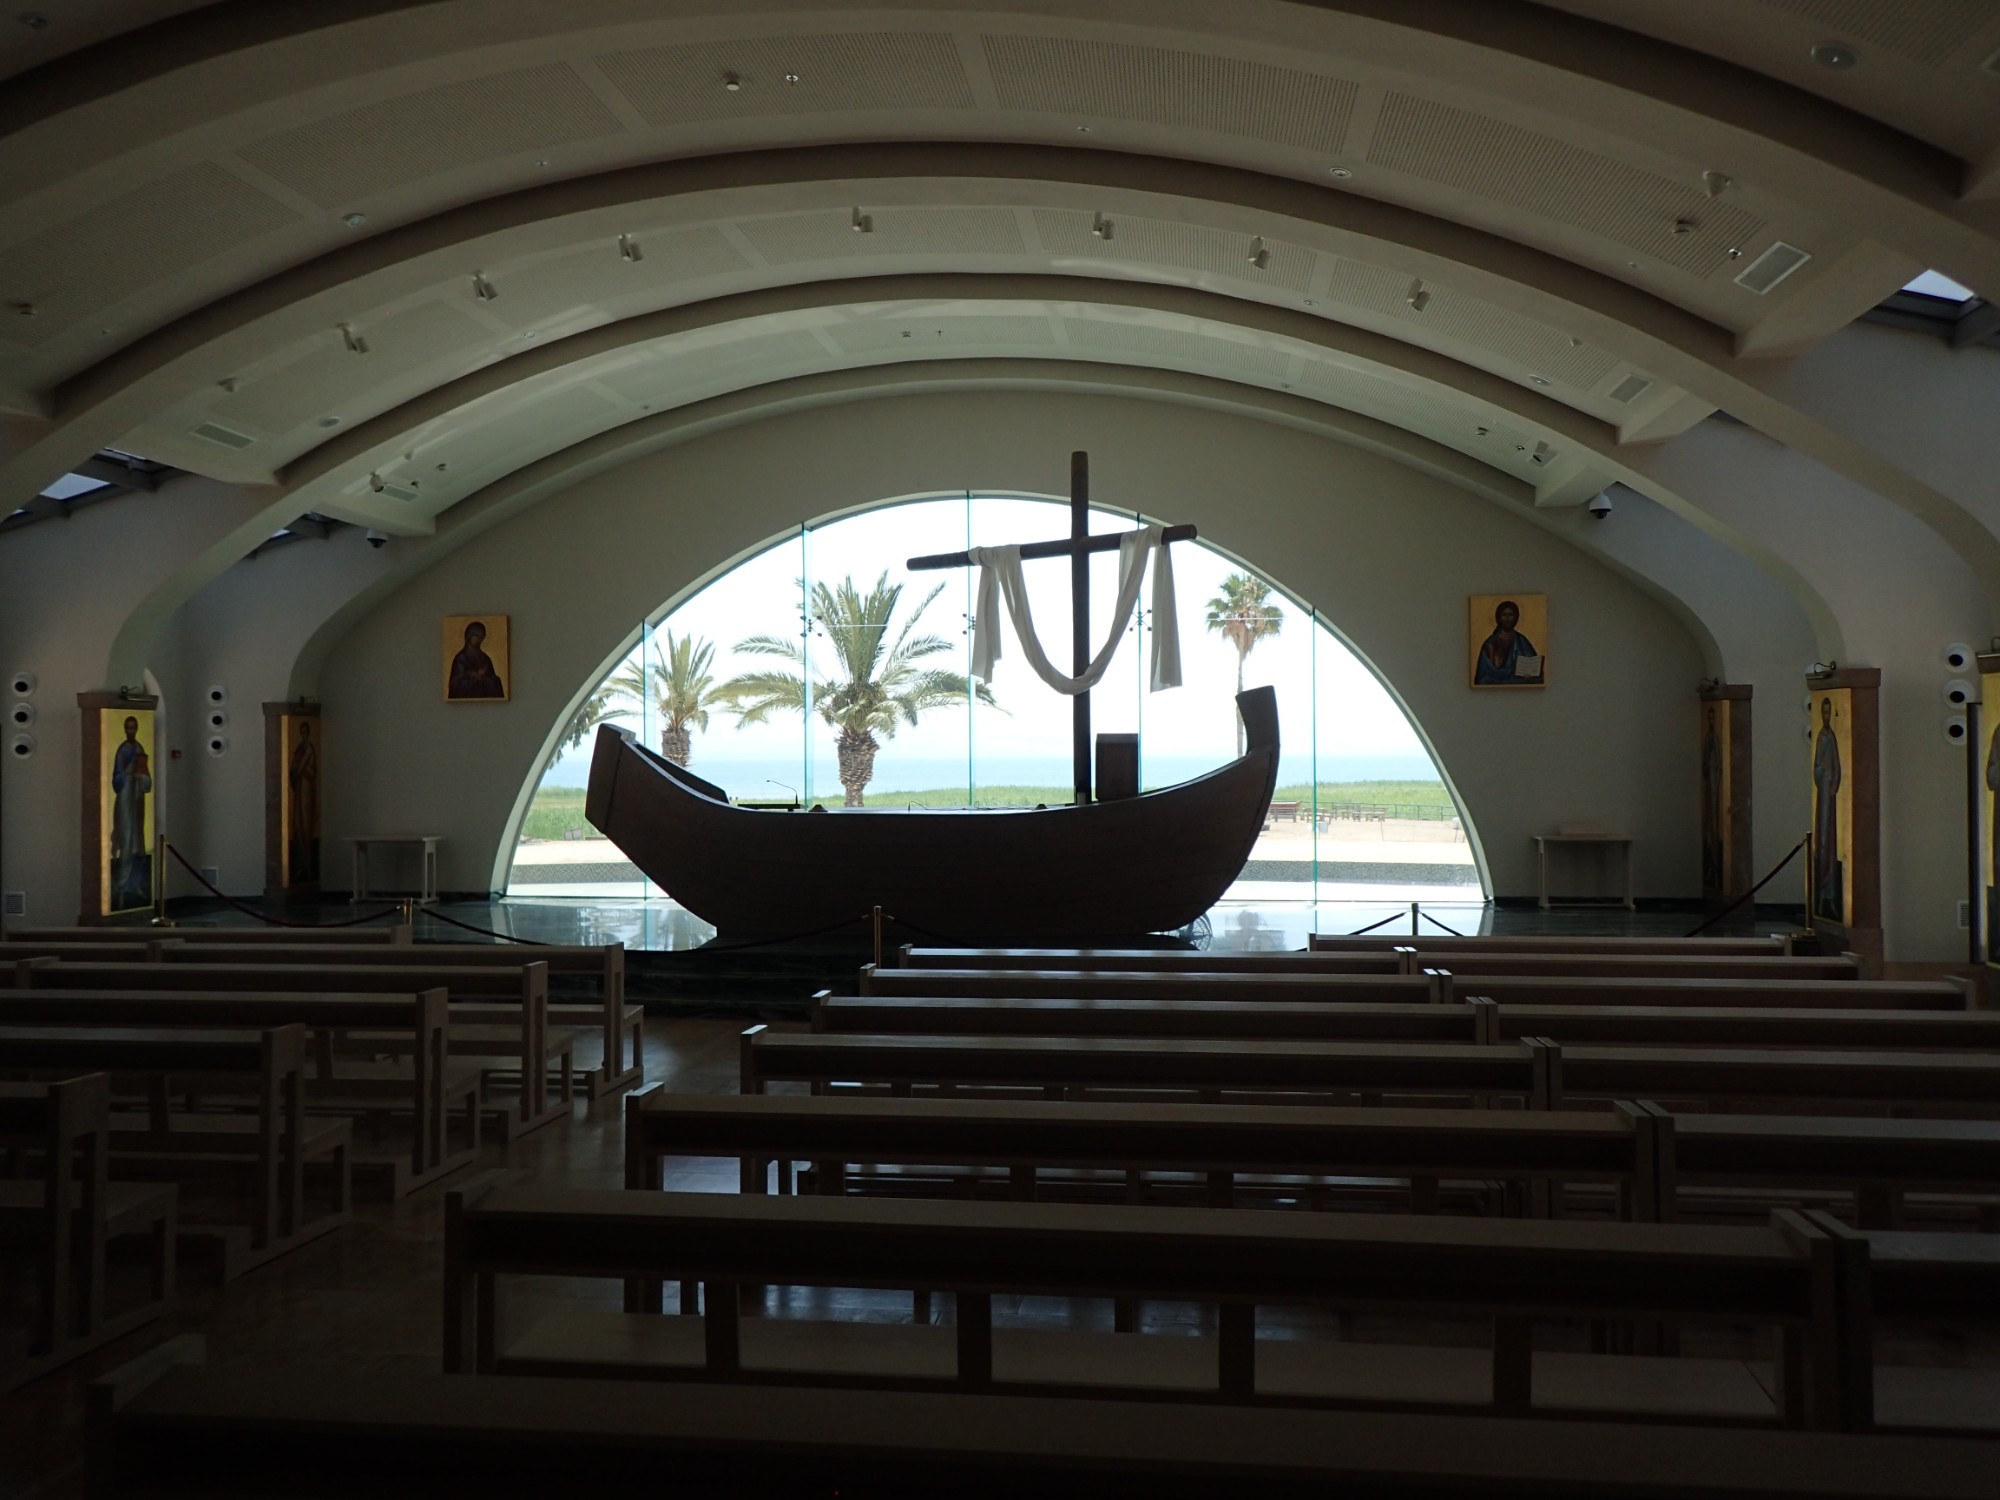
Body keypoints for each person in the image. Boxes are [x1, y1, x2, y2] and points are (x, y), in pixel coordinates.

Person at [109, 715, 152, 907]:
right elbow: (116, 781)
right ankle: (121, 887)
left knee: (138, 844)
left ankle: (136, 885)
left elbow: (147, 781)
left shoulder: (140, 749)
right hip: (126, 801)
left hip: (137, 801)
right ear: (125, 730)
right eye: (128, 728)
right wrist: (126, 772)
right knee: (126, 842)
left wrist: (141, 776)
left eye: (134, 728)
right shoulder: (122, 751)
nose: (131, 731)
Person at [1812, 697, 1843, 922]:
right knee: (1821, 842)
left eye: (1827, 712)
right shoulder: (1821, 737)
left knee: (1829, 843)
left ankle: (1829, 896)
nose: (1825, 716)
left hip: (1829, 796)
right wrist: (1821, 771)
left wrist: (1832, 782)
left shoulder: (1830, 738)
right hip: (1822, 793)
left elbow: (1837, 766)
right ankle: (1822, 897)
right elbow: (1816, 766)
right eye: (1822, 712)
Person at [1473, 599, 1542, 685]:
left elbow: (1535, 670)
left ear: (1516, 617)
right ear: (1499, 618)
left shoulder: (1522, 642)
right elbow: (1482, 677)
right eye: (1504, 615)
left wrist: (1531, 676)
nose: (1507, 619)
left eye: (1511, 615)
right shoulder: (1490, 644)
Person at [288, 718, 319, 882]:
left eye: (306, 731)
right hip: (300, 790)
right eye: (301, 732)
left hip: (307, 791)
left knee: (306, 826)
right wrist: (296, 769)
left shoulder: (309, 750)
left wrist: (301, 767)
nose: (303, 734)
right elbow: (293, 770)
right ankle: (301, 865)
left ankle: (307, 863)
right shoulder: (300, 749)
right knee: (298, 825)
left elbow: (312, 773)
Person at [447, 620, 505, 698]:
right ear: (469, 636)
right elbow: (455, 685)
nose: (479, 639)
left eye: (481, 637)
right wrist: (471, 676)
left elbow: (493, 682)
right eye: (476, 636)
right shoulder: (461, 658)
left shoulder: (485, 658)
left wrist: (483, 678)